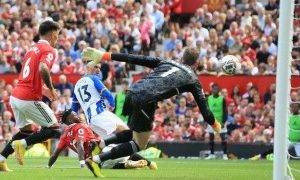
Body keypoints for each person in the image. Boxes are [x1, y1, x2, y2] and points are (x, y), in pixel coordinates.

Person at [81, 46, 221, 165]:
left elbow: (135, 58)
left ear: (182, 58)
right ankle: (96, 160)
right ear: (196, 64)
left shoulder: (167, 62)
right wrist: (216, 125)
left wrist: (105, 55)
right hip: (145, 101)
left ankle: (100, 144)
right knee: (139, 144)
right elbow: (206, 112)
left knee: (134, 132)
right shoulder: (193, 80)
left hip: (132, 92)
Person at [0, 20, 61, 171]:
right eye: (58, 35)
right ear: (53, 34)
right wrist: (52, 88)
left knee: (26, 130)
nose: (58, 39)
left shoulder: (32, 48)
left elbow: (31, 75)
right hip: (28, 97)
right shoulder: (50, 50)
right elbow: (43, 68)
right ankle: (22, 145)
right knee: (53, 128)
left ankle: (1, 159)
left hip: (16, 96)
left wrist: (44, 89)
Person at [48, 109, 156, 175]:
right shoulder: (80, 126)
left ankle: (126, 165)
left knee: (106, 165)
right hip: (102, 152)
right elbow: (80, 145)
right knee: (124, 150)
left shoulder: (64, 136)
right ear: (71, 120)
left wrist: (49, 167)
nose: (78, 116)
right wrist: (82, 164)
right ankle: (150, 164)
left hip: (94, 162)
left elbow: (55, 154)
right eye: (75, 115)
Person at [71, 63, 129, 138]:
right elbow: (107, 93)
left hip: (91, 121)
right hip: (99, 113)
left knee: (112, 141)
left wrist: (72, 123)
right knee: (126, 131)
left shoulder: (76, 85)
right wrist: (112, 104)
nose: (98, 69)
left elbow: (74, 109)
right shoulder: (93, 78)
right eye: (95, 67)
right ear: (88, 68)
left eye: (99, 67)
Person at [205, 83, 228, 160]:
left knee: (223, 138)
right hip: (212, 121)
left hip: (220, 122)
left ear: (219, 90)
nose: (215, 90)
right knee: (211, 138)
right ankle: (212, 154)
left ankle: (225, 155)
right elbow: (207, 110)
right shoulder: (208, 98)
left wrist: (224, 122)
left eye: (217, 89)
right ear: (211, 89)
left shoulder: (222, 99)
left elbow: (225, 111)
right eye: (214, 89)